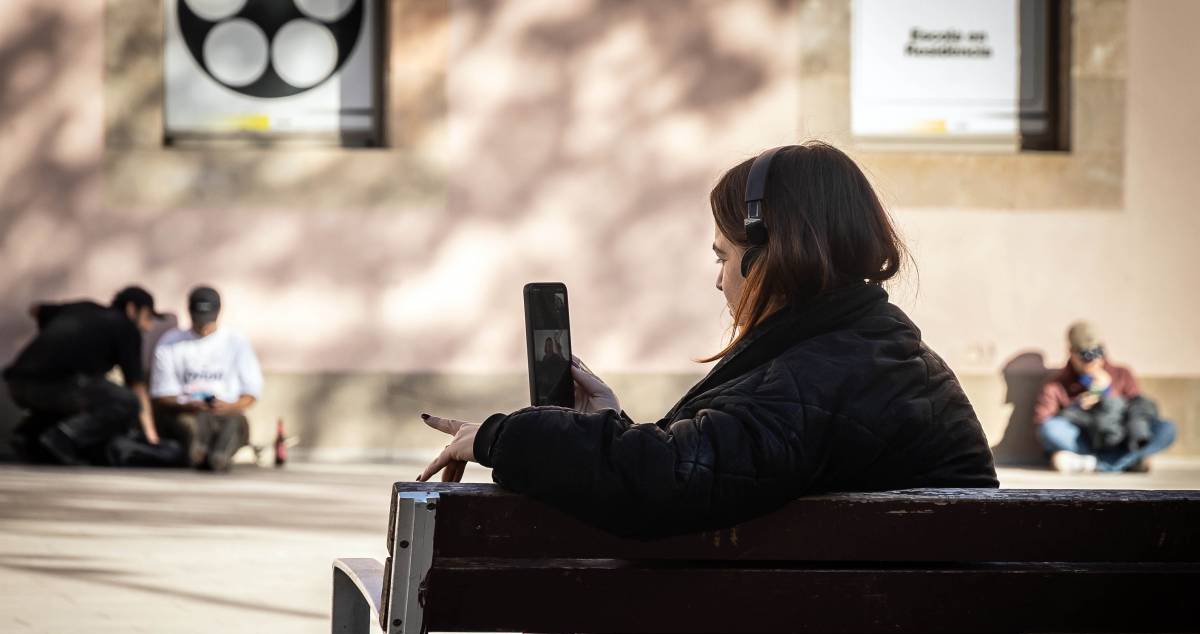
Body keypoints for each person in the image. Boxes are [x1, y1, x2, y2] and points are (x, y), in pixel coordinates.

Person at [415, 142, 998, 535]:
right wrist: (613, 425)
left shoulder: (831, 372)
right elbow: (718, 463)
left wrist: (497, 436)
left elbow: (668, 482)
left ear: (772, 253)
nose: (718, 279)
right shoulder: (869, 354)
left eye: (724, 256)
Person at [3, 286, 162, 465]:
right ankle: (63, 438)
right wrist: (152, 437)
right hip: (54, 386)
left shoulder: (83, 307)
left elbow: (36, 309)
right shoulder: (127, 329)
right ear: (132, 309)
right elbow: (137, 387)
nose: (149, 326)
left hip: (16, 383)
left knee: (85, 395)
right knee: (126, 401)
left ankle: (27, 437)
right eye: (148, 317)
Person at [1034, 321, 1175, 473]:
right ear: (1071, 353)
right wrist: (1078, 406)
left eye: (1097, 352)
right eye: (1085, 355)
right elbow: (1042, 421)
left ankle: (1093, 464)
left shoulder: (1122, 374)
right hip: (1085, 440)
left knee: (1167, 429)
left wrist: (1108, 392)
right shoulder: (1056, 384)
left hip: (1121, 437)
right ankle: (1128, 462)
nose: (1093, 360)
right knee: (1050, 429)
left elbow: (1138, 409)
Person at [150, 286, 263, 471]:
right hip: (188, 413)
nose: (203, 327)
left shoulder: (236, 341)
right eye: (198, 320)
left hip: (226, 413)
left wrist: (229, 406)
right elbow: (162, 395)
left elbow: (251, 393)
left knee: (233, 423)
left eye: (207, 321)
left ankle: (218, 456)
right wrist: (189, 405)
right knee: (192, 425)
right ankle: (203, 454)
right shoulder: (171, 342)